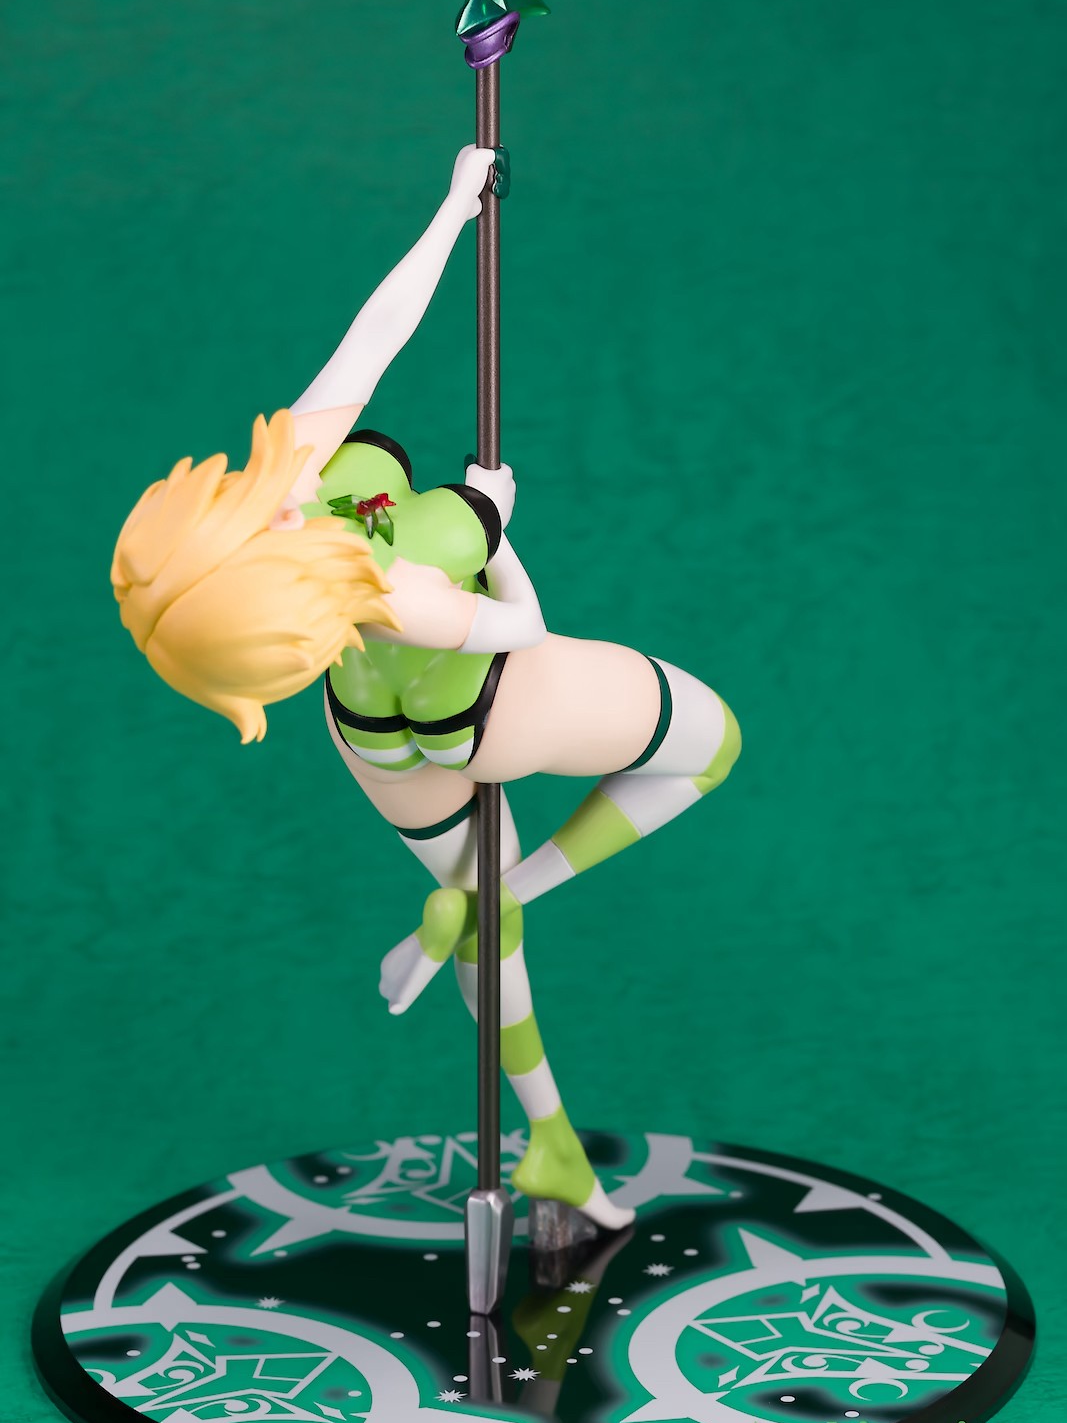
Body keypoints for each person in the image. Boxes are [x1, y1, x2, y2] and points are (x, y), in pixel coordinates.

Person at [113, 147, 741, 1231]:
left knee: (491, 940)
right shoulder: (383, 575)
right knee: (710, 742)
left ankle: (550, 1140)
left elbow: (377, 333)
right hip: (489, 708)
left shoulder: (289, 512)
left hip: (367, 732)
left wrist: (454, 210)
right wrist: (498, 524)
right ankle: (504, 895)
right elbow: (520, 627)